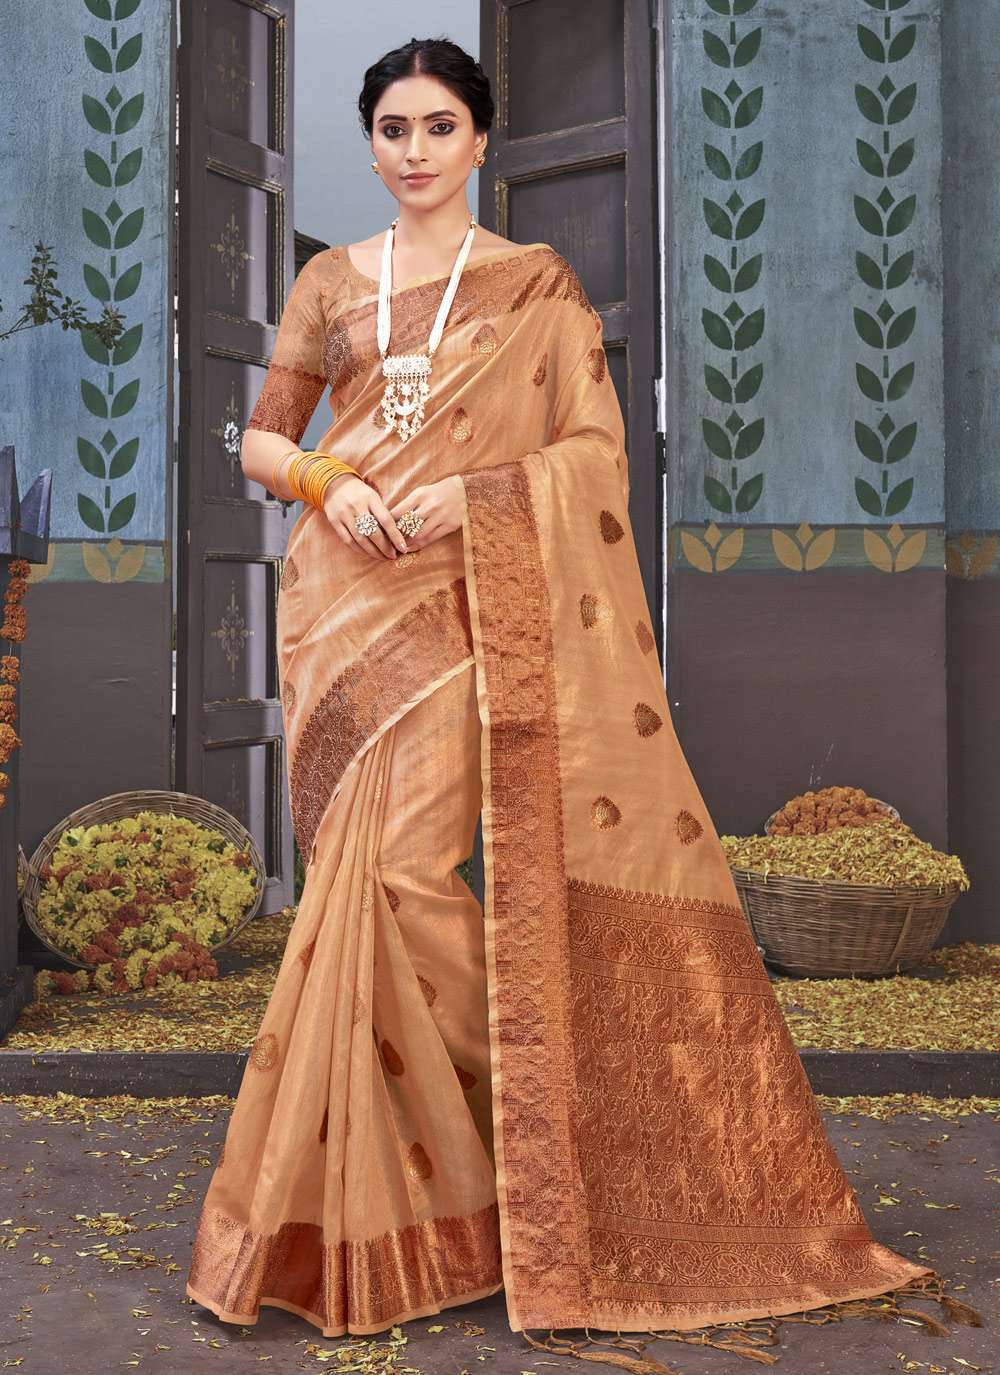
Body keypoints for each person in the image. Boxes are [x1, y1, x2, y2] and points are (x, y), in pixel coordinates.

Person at [185, 35, 974, 1371]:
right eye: (393, 129)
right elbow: (263, 435)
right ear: (372, 142)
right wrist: (333, 484)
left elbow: (594, 457)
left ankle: (510, 1158)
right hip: (343, 605)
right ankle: (439, 1193)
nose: (415, 151)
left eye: (439, 126)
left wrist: (474, 496)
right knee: (349, 884)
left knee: (404, 877)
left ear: (480, 139)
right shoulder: (331, 280)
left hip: (472, 602)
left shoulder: (535, 283)